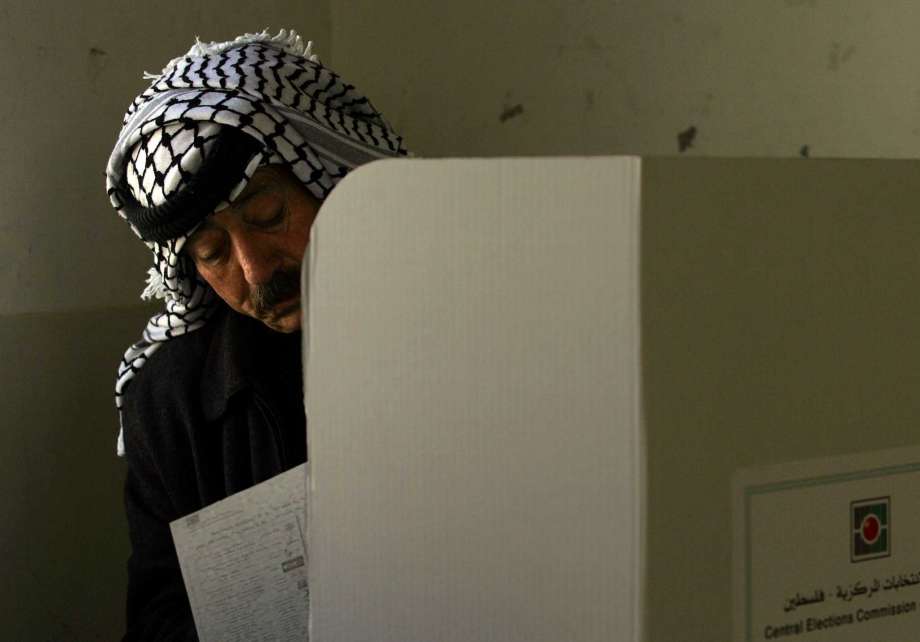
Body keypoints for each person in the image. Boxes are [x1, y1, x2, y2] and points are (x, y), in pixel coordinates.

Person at [104, 29, 408, 640]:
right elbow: (161, 616)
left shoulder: (468, 330)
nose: (255, 270)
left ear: (329, 177)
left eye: (269, 217)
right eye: (212, 253)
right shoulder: (169, 404)